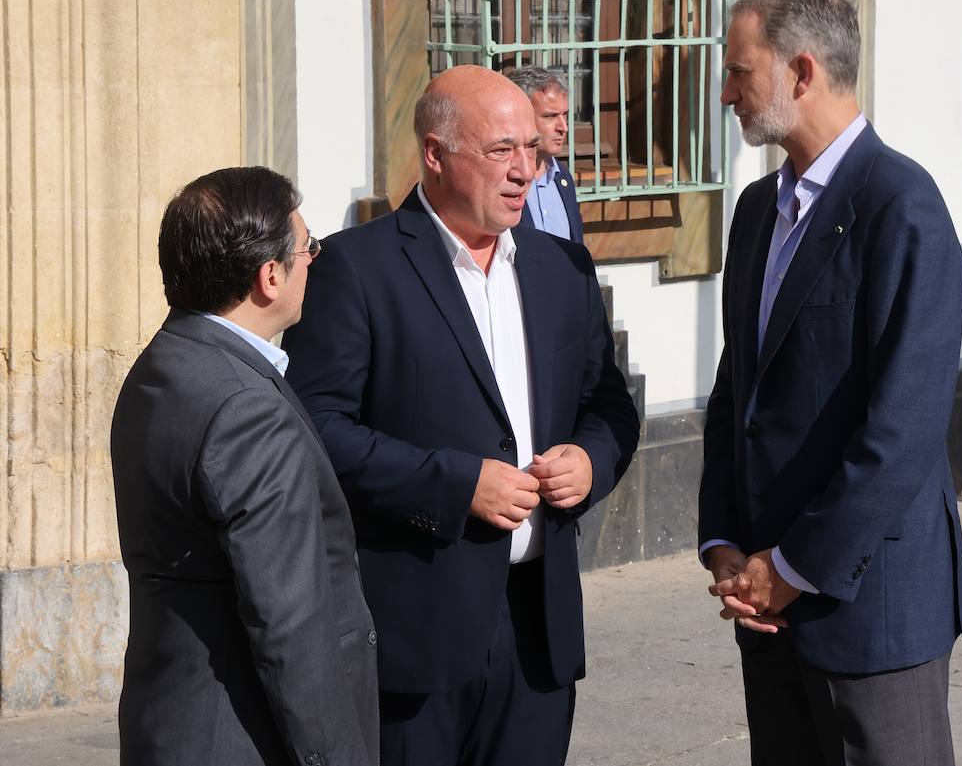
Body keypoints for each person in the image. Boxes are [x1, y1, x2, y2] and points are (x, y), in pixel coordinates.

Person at [282, 65, 639, 766]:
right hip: (416, 636)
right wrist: (454, 483)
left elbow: (609, 404)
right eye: (501, 149)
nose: (525, 172)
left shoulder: (562, 267)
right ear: (436, 154)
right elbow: (314, 429)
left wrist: (590, 458)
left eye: (532, 149)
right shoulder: (357, 267)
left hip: (538, 632)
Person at [698, 0, 962, 766]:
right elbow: (737, 393)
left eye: (739, 72)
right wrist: (726, 541)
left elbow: (905, 428)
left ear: (802, 72)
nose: (726, 93)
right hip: (765, 598)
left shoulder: (902, 205)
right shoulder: (759, 212)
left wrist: (792, 567)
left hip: (870, 603)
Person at [110, 166, 378, 766]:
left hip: (171, 719)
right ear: (270, 276)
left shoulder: (165, 363)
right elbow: (290, 624)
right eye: (308, 247)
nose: (315, 259)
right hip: (237, 734)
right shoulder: (244, 409)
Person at [503, 65, 584, 242]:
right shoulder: (503, 181)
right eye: (550, 116)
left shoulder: (562, 177)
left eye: (565, 115)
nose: (564, 127)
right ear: (520, 116)